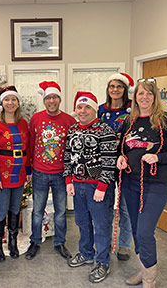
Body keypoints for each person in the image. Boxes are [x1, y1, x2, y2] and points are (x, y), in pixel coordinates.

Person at [117, 78, 167, 287]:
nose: (144, 97)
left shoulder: (166, 120)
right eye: (140, 93)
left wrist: (159, 157)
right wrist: (121, 158)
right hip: (131, 183)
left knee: (145, 231)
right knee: (138, 231)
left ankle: (150, 280)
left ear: (155, 97)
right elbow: (123, 148)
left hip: (157, 185)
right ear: (135, 97)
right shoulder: (129, 122)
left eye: (149, 93)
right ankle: (143, 269)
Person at [64, 91, 117, 283]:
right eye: (80, 107)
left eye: (87, 107)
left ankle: (102, 261)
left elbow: (110, 161)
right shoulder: (72, 130)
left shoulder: (105, 130)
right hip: (78, 185)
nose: (83, 111)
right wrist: (68, 180)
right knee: (82, 222)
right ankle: (86, 253)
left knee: (101, 225)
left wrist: (102, 186)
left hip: (98, 187)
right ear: (75, 109)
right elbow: (67, 157)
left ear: (95, 109)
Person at [25, 81, 76, 260]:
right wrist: (28, 169)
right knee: (37, 210)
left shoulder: (69, 120)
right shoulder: (36, 119)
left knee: (61, 211)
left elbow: (73, 148)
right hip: (39, 172)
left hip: (61, 173)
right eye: (48, 98)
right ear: (44, 100)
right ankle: (35, 241)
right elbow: (30, 145)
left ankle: (60, 242)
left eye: (54, 97)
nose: (51, 101)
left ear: (59, 99)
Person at [0, 85, 31, 261]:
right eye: (7, 99)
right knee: (1, 210)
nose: (10, 102)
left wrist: (28, 170)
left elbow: (26, 149)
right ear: (2, 103)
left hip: (19, 174)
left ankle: (12, 242)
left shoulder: (23, 123)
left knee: (14, 209)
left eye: (13, 99)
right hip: (2, 176)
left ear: (18, 103)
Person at [98, 72, 133, 261]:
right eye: (112, 86)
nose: (115, 90)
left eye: (119, 86)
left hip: (126, 164)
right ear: (108, 89)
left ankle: (124, 245)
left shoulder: (132, 109)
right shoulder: (101, 110)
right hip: (105, 165)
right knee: (105, 206)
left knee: (125, 208)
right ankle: (106, 240)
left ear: (125, 89)